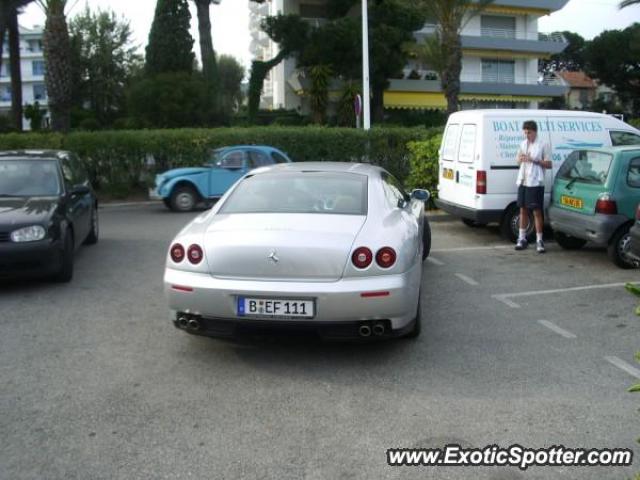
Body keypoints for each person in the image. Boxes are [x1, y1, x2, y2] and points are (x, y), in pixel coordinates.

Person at [515, 120, 552, 253]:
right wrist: (520, 159)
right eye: (525, 132)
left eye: (529, 132)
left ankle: (539, 240)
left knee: (536, 211)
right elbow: (517, 160)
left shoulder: (543, 144)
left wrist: (534, 160)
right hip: (523, 181)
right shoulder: (523, 144)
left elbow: (549, 164)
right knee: (522, 210)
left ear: (535, 132)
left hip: (536, 182)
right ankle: (521, 238)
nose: (527, 135)